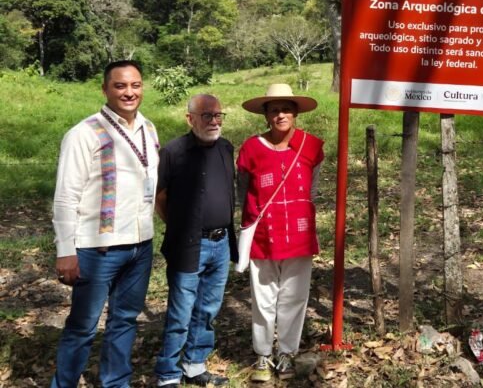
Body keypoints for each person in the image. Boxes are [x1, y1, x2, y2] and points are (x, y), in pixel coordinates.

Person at [50, 60, 160, 388]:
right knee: (83, 326)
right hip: (97, 250)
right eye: (120, 86)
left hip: (140, 247)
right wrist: (65, 250)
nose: (129, 92)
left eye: (135, 85)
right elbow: (65, 198)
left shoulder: (149, 128)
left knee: (124, 321)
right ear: (105, 89)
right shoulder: (83, 134)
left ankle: (116, 382)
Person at [238, 83, 324, 382]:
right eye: (273, 110)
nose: (280, 115)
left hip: (299, 234)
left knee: (295, 297)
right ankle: (263, 354)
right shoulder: (251, 148)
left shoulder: (311, 145)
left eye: (286, 109)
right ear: (265, 116)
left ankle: (287, 352)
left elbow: (313, 189)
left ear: (296, 113)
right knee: (262, 297)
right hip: (263, 234)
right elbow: (243, 191)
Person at [154, 94, 236, 387]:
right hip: (188, 245)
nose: (214, 122)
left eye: (218, 115)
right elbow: (159, 196)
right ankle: (167, 373)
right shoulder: (174, 152)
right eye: (207, 116)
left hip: (221, 243)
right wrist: (180, 227)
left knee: (208, 309)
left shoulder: (226, 148)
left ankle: (195, 365)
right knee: (180, 312)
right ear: (190, 119)